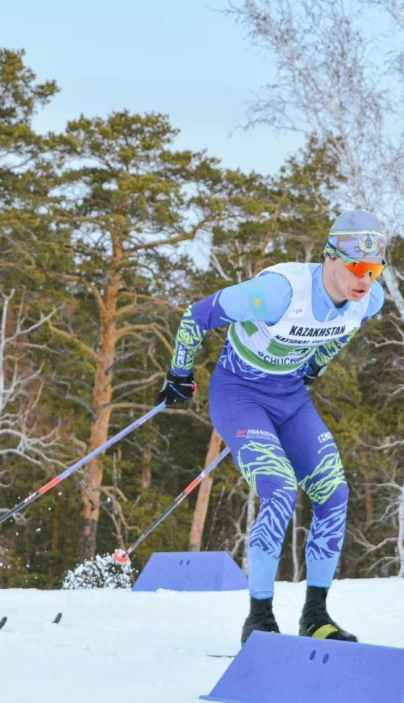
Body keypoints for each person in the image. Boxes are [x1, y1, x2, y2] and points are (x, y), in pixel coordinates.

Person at [157, 209, 387, 644]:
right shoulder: (277, 293)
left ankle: (316, 616)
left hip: (289, 398)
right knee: (279, 490)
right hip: (239, 394)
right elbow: (196, 315)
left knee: (333, 492)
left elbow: (341, 332)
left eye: (375, 270)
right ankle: (258, 618)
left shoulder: (369, 300)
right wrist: (180, 374)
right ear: (331, 258)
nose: (366, 280)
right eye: (358, 267)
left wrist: (314, 366)